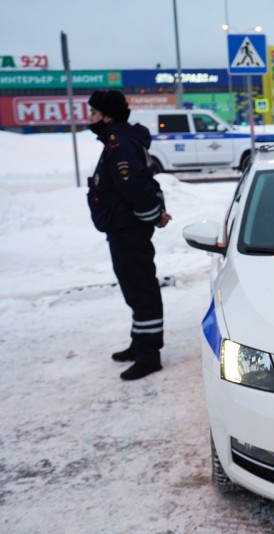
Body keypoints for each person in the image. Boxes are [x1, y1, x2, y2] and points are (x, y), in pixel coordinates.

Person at [86, 90, 172, 381]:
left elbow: (136, 187)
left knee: (141, 289)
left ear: (107, 116)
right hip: (122, 229)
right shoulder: (117, 142)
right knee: (134, 289)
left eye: (94, 113)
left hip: (129, 230)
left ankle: (150, 355)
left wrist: (153, 216)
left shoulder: (119, 144)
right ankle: (139, 343)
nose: (90, 119)